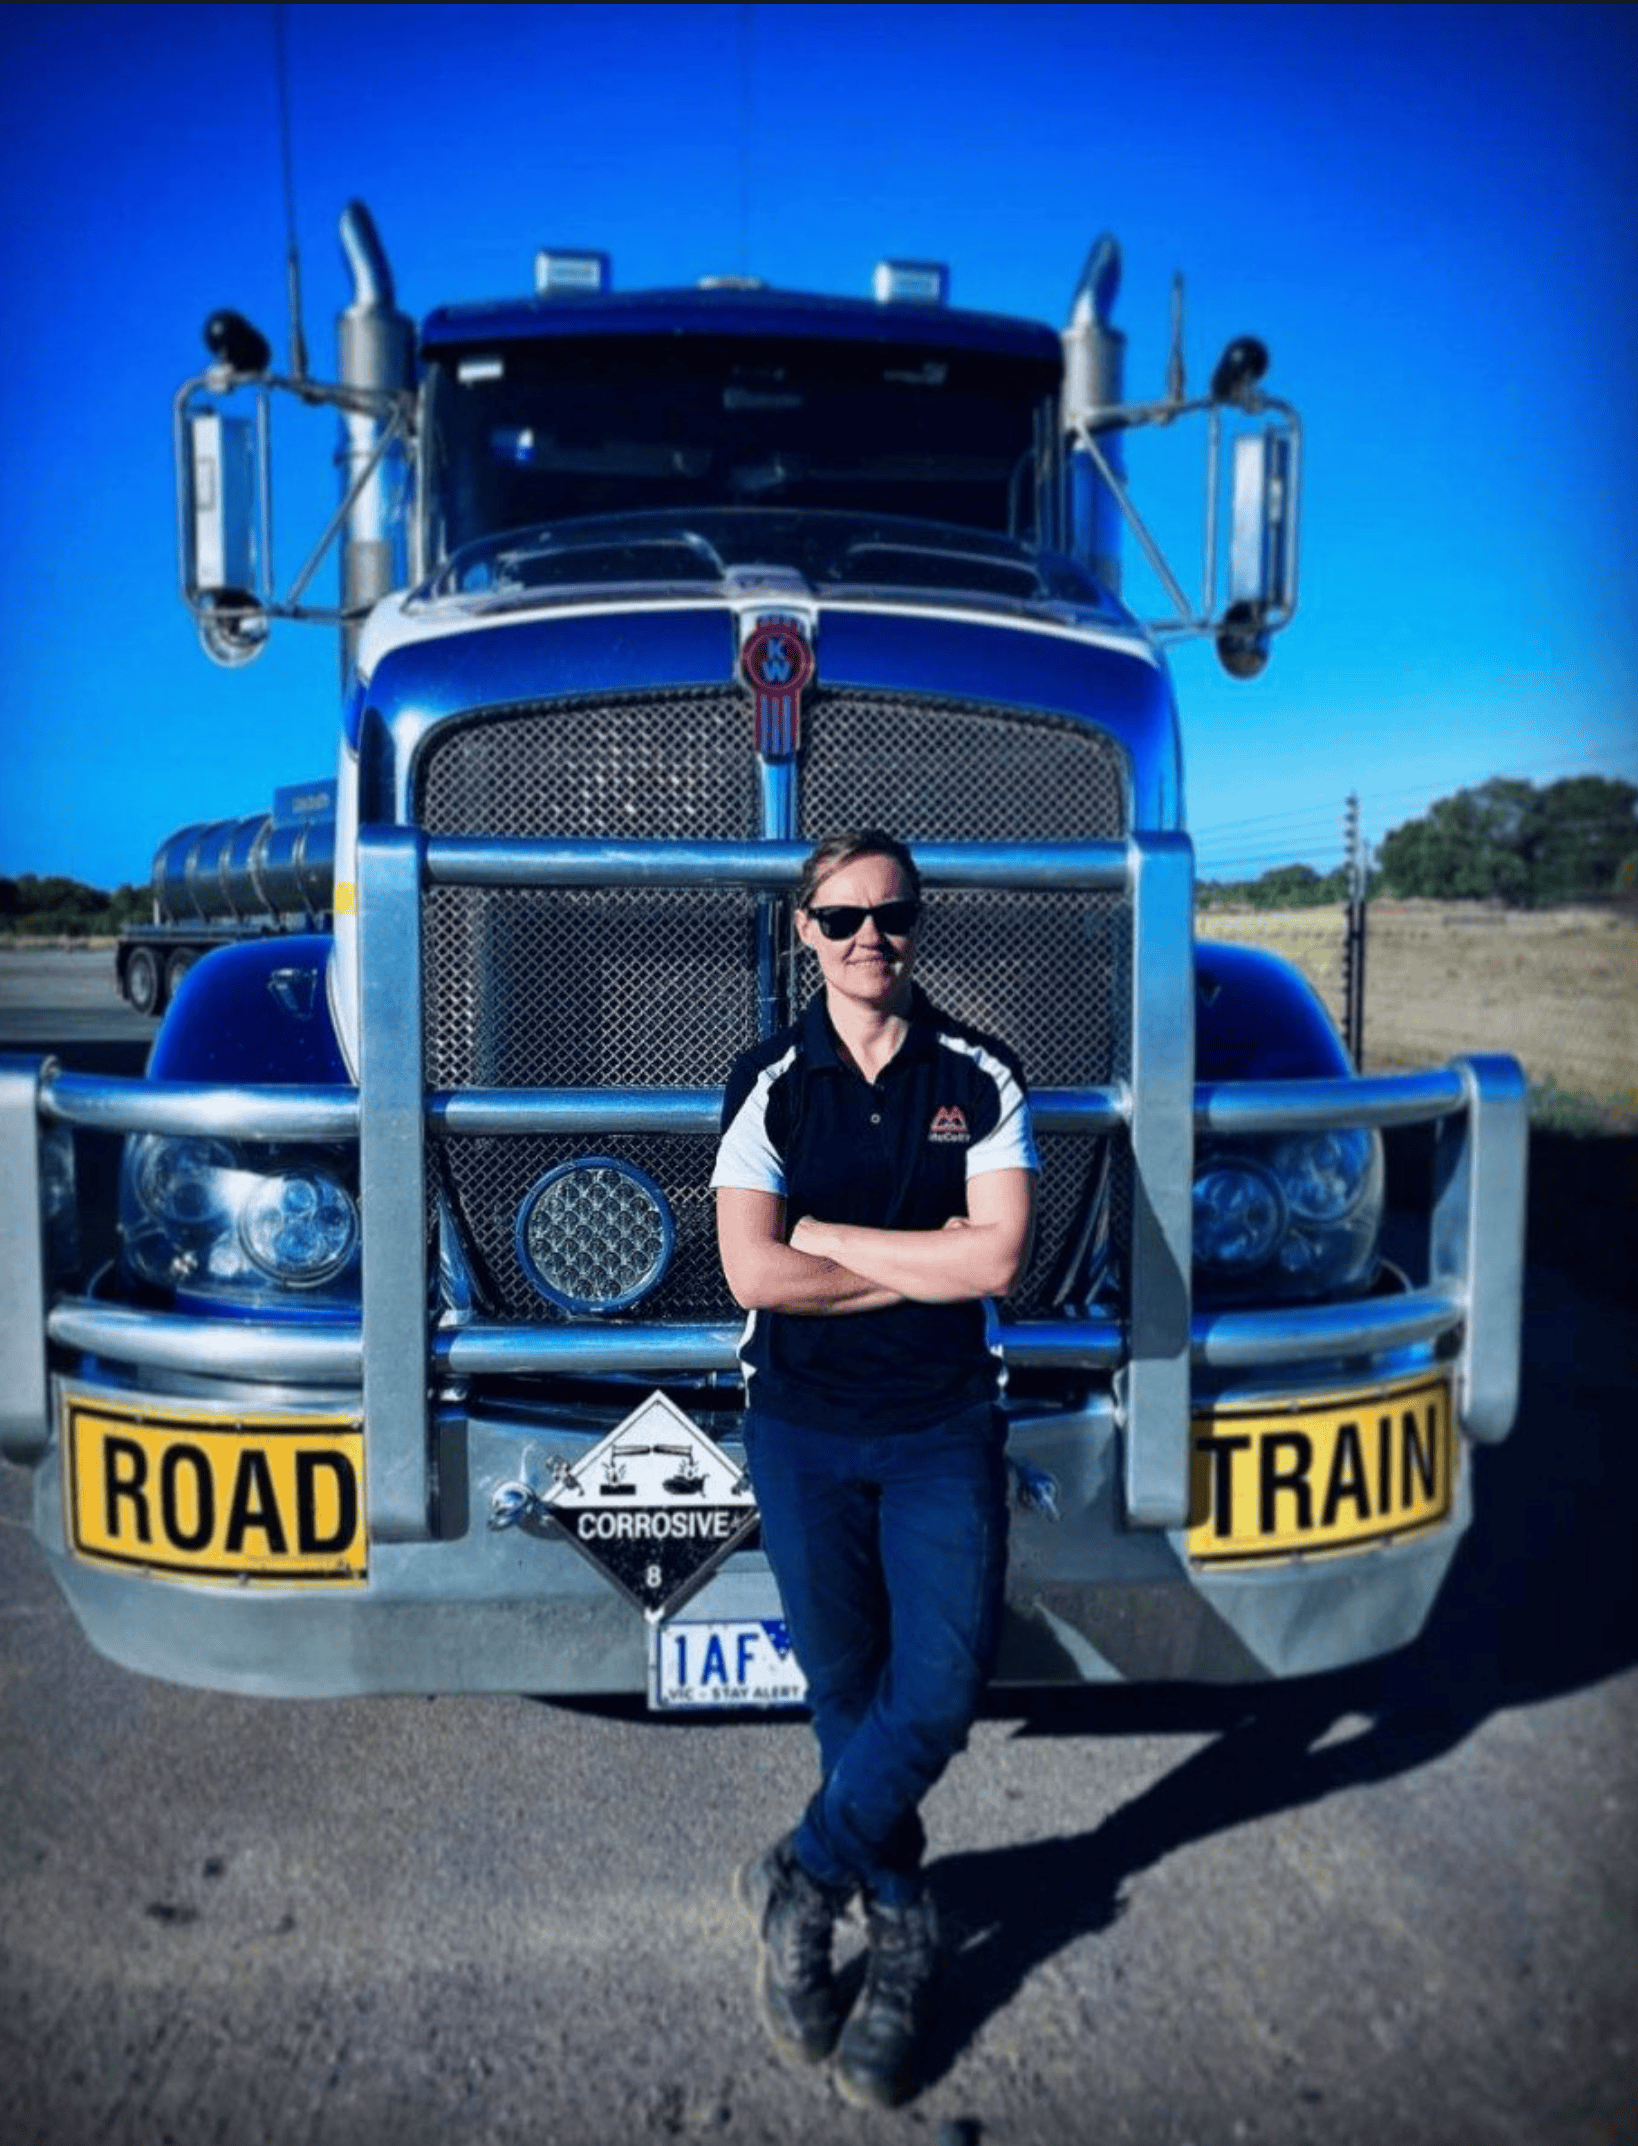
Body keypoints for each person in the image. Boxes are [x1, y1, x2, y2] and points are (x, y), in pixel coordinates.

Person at [711, 829, 1037, 2110]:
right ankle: (901, 1932)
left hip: (946, 1421)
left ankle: (803, 1873)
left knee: (942, 1689)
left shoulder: (982, 1073)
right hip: (799, 1430)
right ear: (804, 931)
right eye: (840, 917)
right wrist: (918, 1252)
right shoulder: (766, 1078)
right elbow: (752, 1273)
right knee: (848, 1697)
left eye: (890, 914)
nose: (867, 937)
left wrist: (835, 1234)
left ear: (919, 921)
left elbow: (999, 1259)